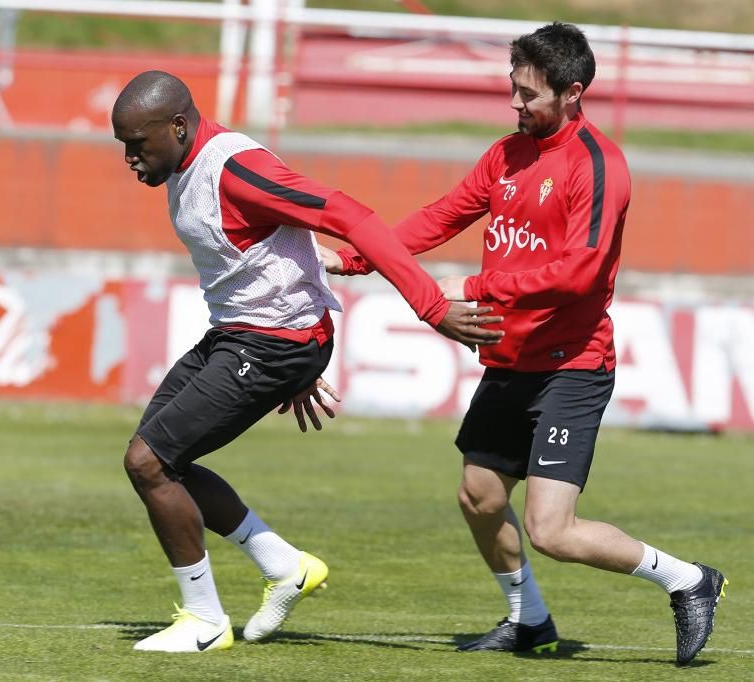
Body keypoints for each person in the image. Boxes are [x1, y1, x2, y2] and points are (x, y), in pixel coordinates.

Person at [320, 22, 726, 667]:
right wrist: (356, 258)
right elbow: (443, 214)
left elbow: (581, 274)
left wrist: (478, 285)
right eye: (512, 90)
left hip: (572, 367)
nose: (516, 105)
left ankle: (687, 579)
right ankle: (528, 621)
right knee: (479, 495)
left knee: (551, 531)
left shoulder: (599, 166)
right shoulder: (506, 154)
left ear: (572, 93)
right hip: (511, 360)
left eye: (528, 95)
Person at [112, 70, 503, 653]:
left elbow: (352, 217)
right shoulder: (184, 164)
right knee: (158, 464)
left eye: (137, 145)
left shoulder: (236, 169)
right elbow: (279, 243)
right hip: (246, 335)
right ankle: (283, 565)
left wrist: (432, 306)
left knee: (151, 461)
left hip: (270, 344)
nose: (130, 160)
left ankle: (205, 622)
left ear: (177, 126)